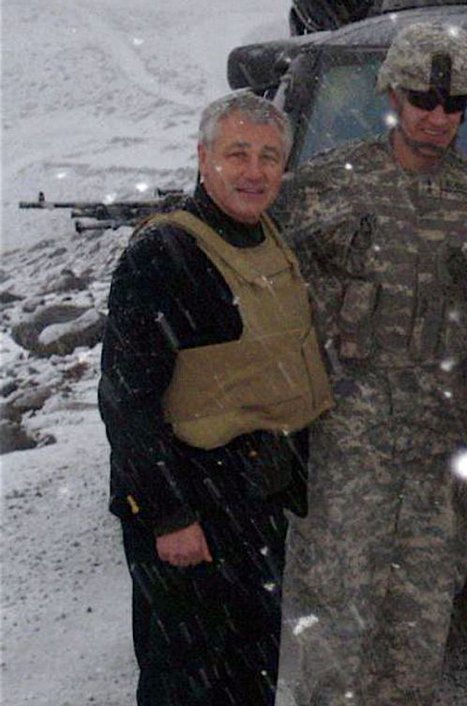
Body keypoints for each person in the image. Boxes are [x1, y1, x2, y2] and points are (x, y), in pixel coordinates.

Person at [271, 22, 467, 704]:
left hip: (437, 453)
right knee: (334, 632)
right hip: (347, 452)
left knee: (419, 633)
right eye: (423, 99)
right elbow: (269, 295)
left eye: (454, 104)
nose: (438, 117)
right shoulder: (328, 186)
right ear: (392, 94)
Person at [100, 91, 332, 706]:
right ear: (204, 159)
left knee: (251, 675)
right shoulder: (164, 254)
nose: (254, 172)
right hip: (191, 506)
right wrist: (169, 516)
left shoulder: (270, 238)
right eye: (237, 154)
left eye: (268, 157)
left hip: (255, 501)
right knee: (185, 682)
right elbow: (126, 399)